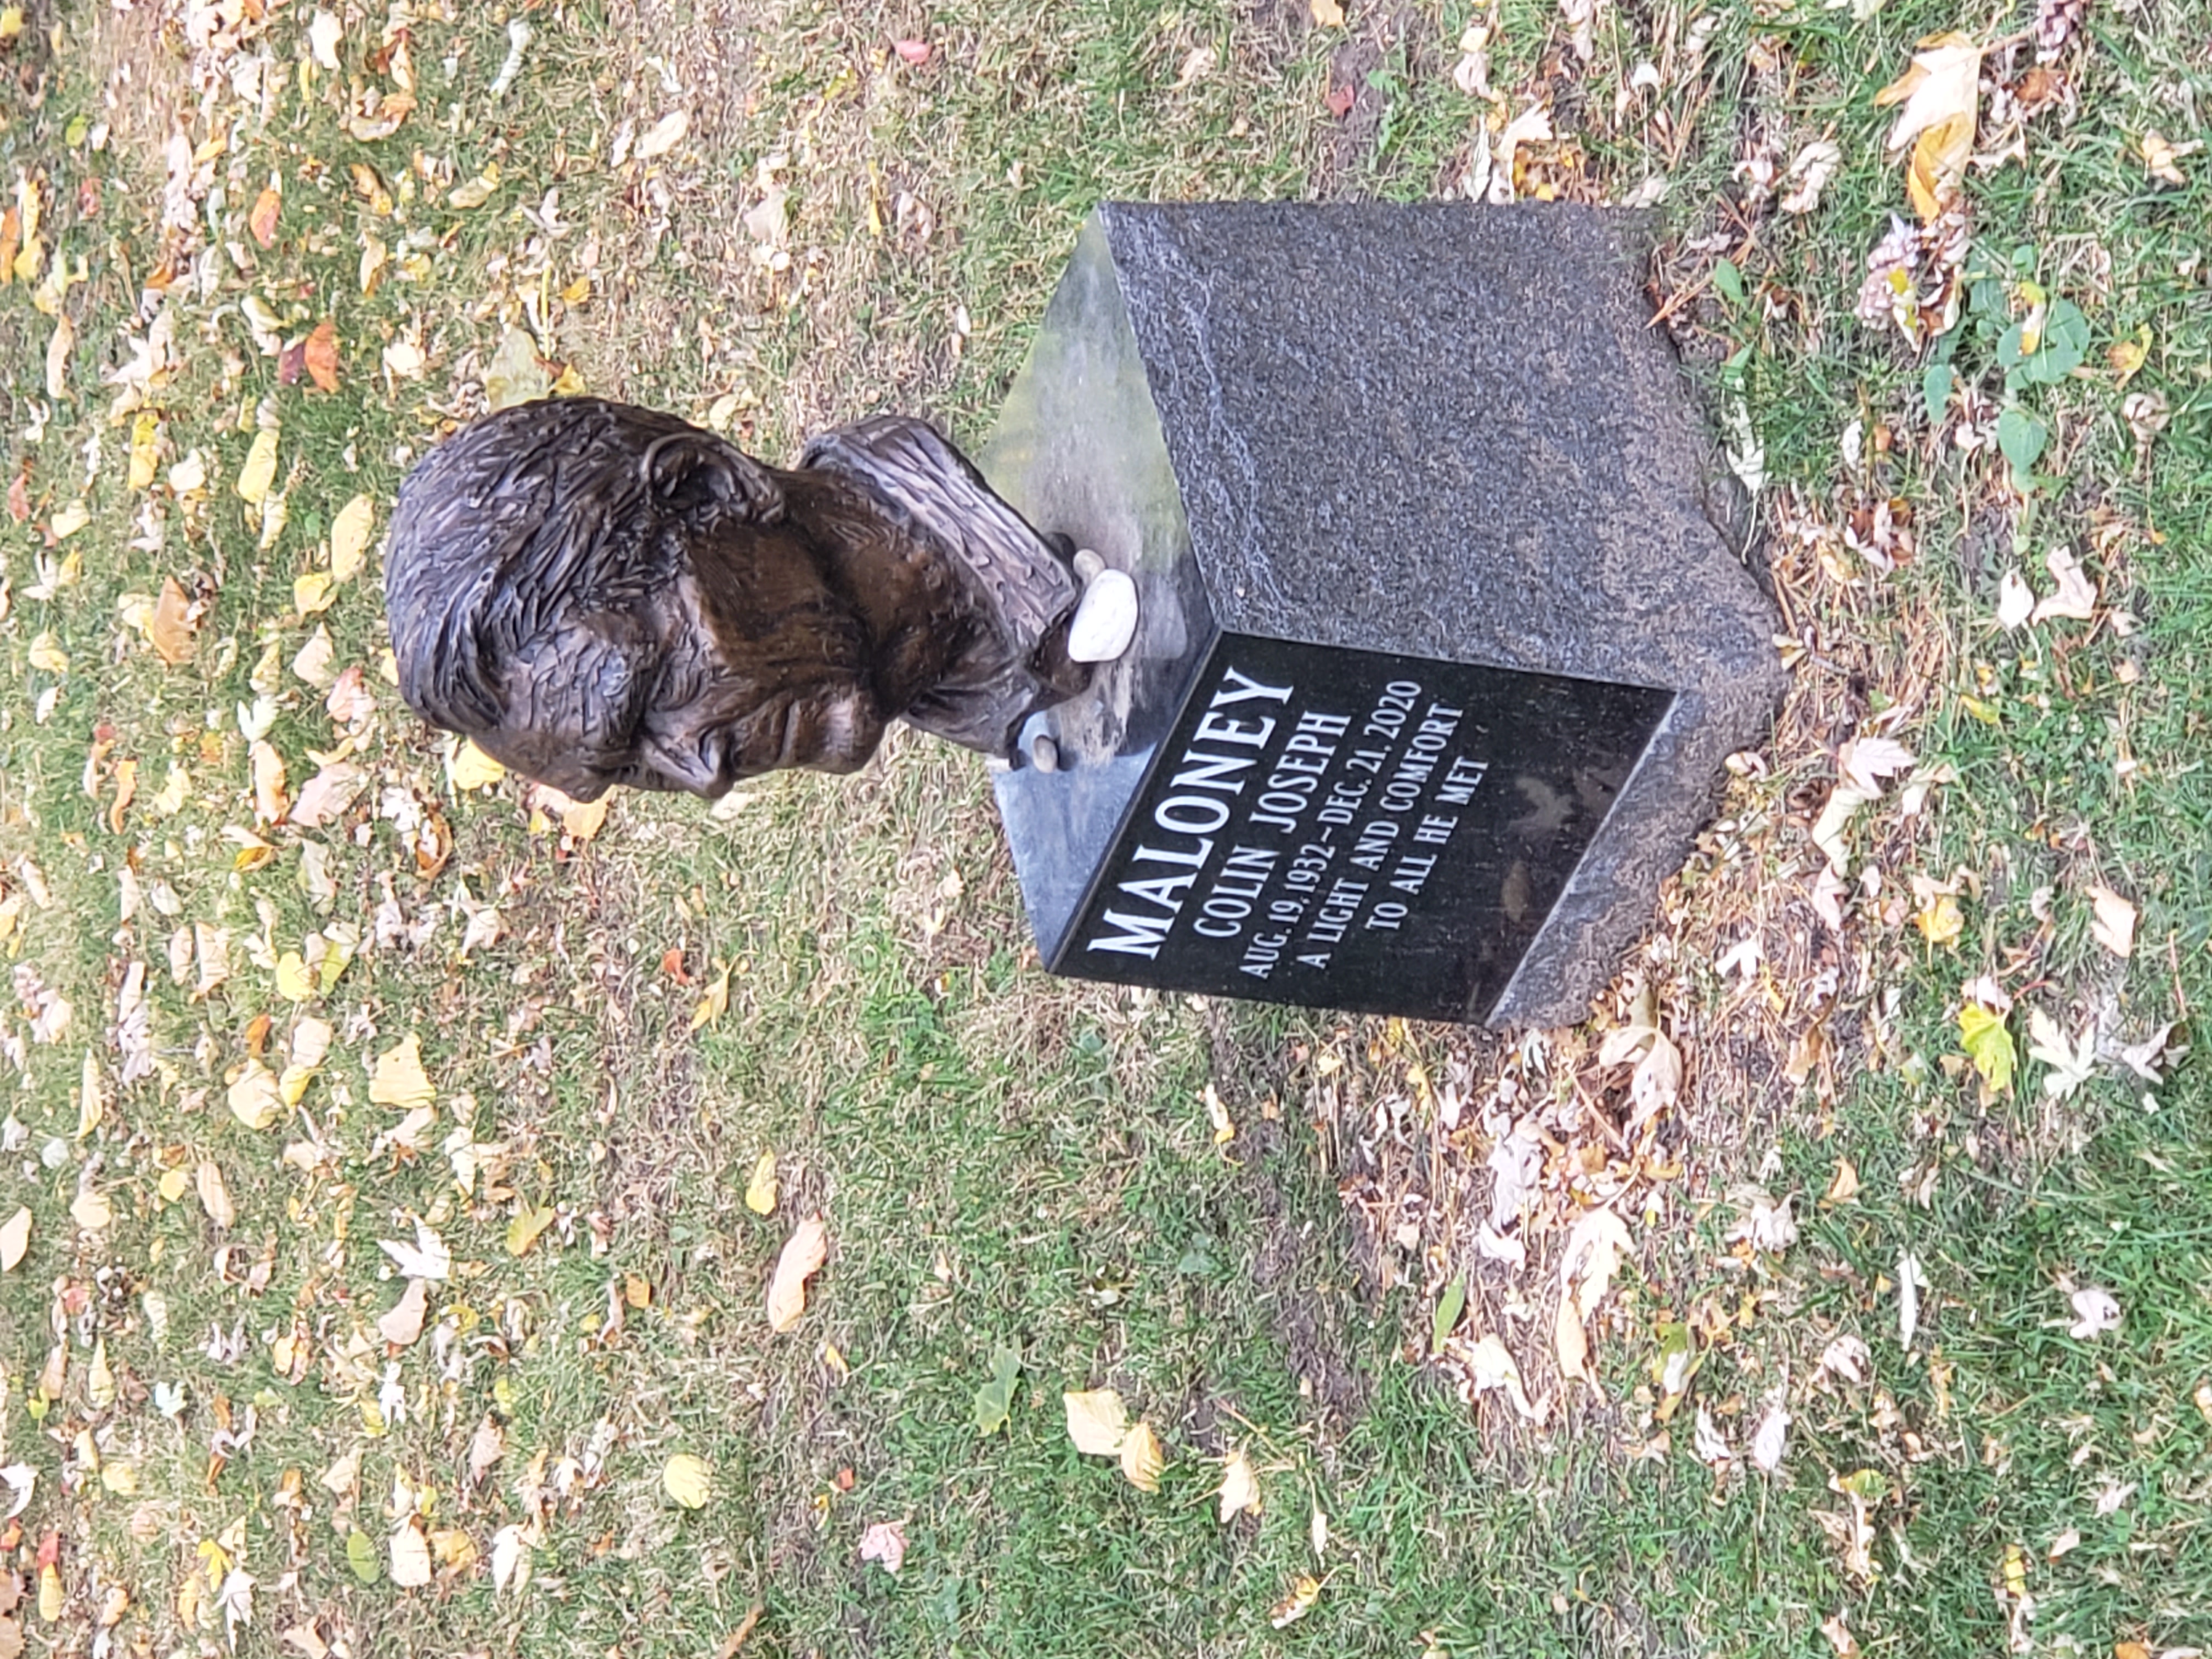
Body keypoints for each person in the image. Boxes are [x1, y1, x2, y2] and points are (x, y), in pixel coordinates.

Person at [384, 397, 1125, 800]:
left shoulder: (962, 549)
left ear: (711, 488)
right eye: (631, 772)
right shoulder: (947, 684)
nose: (702, 775)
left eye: (648, 701)